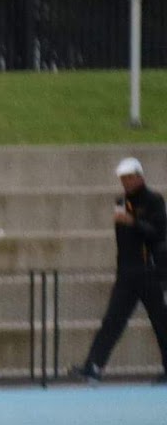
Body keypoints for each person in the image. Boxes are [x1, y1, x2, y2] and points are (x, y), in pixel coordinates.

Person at [70, 157, 167, 383]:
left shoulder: (154, 201)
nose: (125, 182)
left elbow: (159, 233)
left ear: (139, 177)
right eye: (122, 179)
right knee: (112, 320)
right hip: (127, 272)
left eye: (129, 178)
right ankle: (93, 366)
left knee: (161, 322)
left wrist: (133, 222)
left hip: (150, 272)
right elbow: (123, 241)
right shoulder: (121, 202)